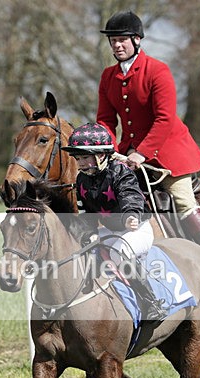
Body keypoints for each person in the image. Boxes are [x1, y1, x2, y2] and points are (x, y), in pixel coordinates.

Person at [96, 10, 200, 254]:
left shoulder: (157, 70)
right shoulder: (108, 76)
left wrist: (142, 153)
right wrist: (106, 150)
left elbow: (165, 119)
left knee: (183, 201)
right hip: (128, 154)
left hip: (168, 153)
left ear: (136, 40)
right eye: (113, 40)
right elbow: (105, 120)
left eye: (122, 39)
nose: (117, 45)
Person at [61, 122, 166, 322]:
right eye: (78, 158)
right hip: (110, 231)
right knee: (81, 251)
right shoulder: (82, 180)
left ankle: (151, 303)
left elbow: (130, 196)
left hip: (137, 229)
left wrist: (131, 215)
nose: (81, 163)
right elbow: (87, 213)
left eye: (85, 157)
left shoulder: (121, 172)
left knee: (121, 253)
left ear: (101, 155)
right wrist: (86, 232)